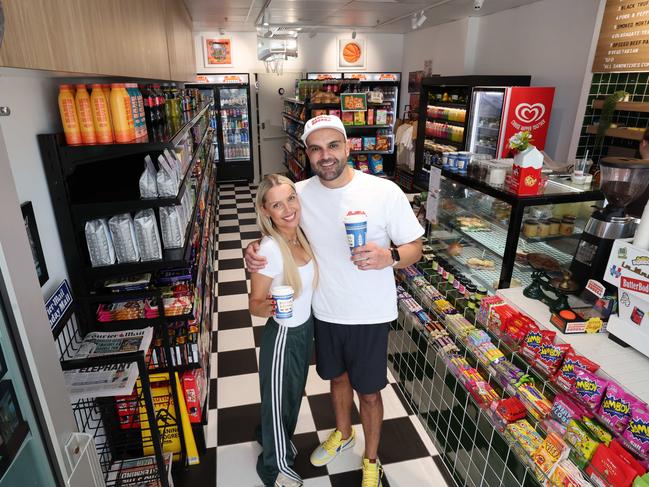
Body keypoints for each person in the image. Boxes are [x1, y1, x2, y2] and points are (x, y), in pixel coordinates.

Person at [246, 115, 424, 487]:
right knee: (337, 380)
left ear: (348, 147)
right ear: (307, 153)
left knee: (370, 393)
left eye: (333, 146)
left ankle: (371, 459)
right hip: (324, 311)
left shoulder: (383, 191)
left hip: (370, 312)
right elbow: (278, 221)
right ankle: (343, 436)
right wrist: (255, 250)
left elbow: (415, 248)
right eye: (316, 148)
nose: (325, 156)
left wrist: (390, 257)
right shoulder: (301, 192)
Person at [249, 174, 319, 487]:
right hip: (282, 337)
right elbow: (254, 304)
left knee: (290, 398)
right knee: (278, 402)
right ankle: (275, 468)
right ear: (266, 212)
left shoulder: (301, 234)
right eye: (277, 204)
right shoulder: (270, 249)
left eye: (291, 198)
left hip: (303, 332)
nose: (288, 208)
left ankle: (269, 438)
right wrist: (274, 307)